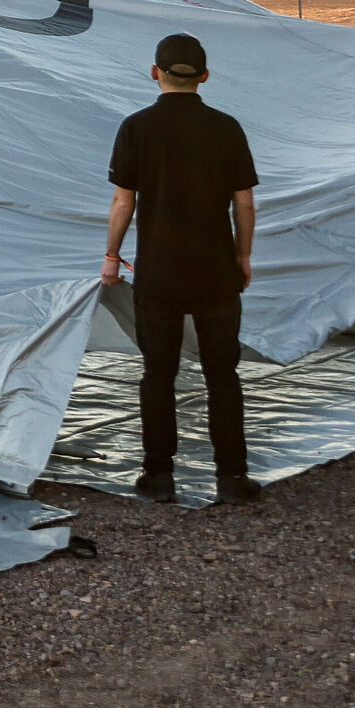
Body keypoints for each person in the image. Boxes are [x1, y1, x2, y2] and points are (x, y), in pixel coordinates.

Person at [102, 32, 262, 505]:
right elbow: (245, 203)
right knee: (222, 375)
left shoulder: (136, 128)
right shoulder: (227, 127)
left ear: (155, 73)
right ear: (205, 77)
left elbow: (123, 201)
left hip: (159, 273)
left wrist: (112, 257)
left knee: (158, 373)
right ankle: (232, 478)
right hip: (216, 271)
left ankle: (159, 476)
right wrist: (242, 256)